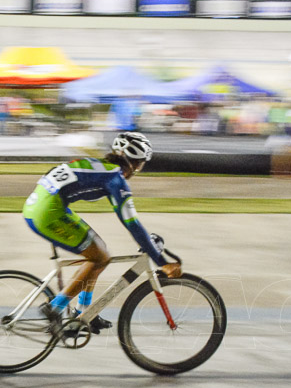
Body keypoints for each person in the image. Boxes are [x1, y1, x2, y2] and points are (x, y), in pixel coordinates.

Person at [22, 131, 182, 332]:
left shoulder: (103, 167)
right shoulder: (116, 178)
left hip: (42, 204)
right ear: (135, 162)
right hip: (48, 210)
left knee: (99, 252)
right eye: (141, 163)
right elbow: (131, 223)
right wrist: (161, 261)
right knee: (100, 257)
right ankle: (55, 307)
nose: (139, 169)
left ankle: (84, 313)